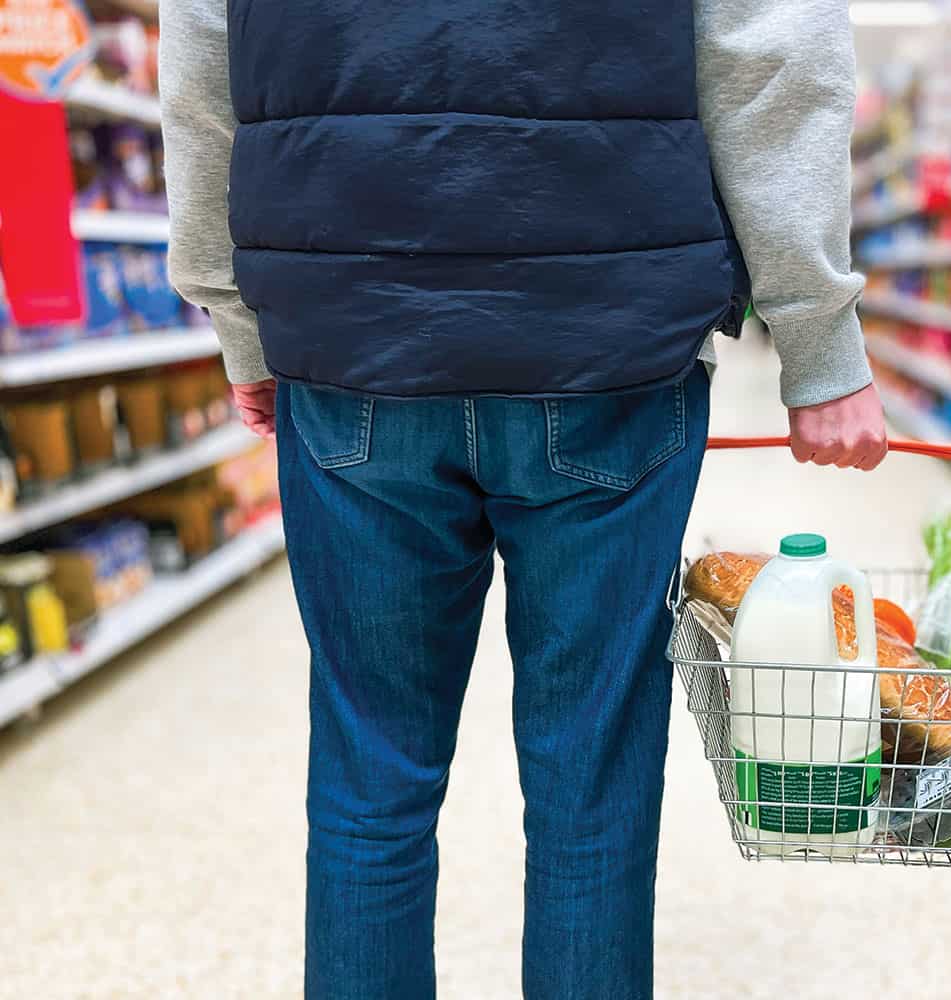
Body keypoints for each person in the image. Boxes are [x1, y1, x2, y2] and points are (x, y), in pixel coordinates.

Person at [159, 1, 885, 996]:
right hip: (607, 343)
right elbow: (770, 52)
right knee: (590, 787)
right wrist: (818, 340)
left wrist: (241, 320)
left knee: (373, 775)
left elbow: (203, 70)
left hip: (350, 343)